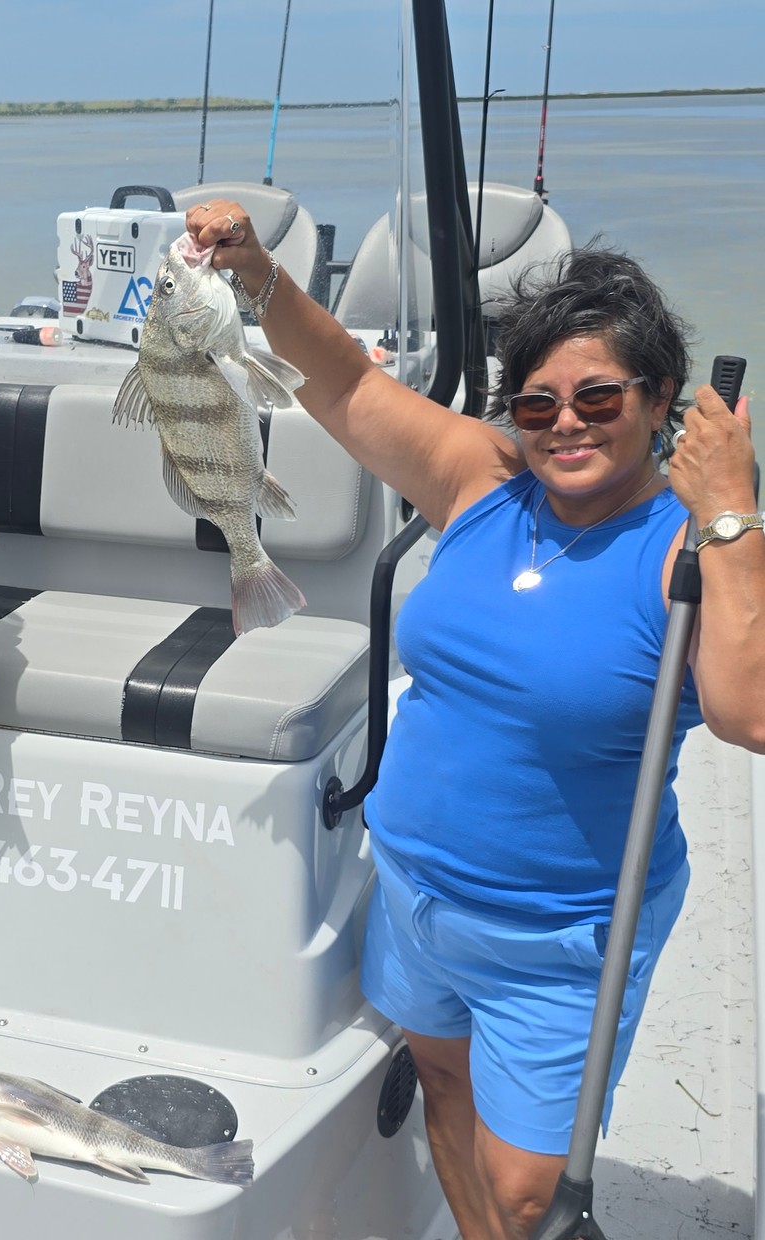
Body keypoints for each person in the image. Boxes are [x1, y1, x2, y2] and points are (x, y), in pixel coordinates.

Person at [187, 199, 764, 1240]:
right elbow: (348, 383)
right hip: (411, 887)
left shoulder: (684, 550)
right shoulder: (482, 478)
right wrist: (257, 277)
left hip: (563, 932)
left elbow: (747, 713)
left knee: (528, 1191)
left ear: (661, 397)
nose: (565, 425)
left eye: (597, 396)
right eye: (536, 406)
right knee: (441, 1087)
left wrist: (729, 509)